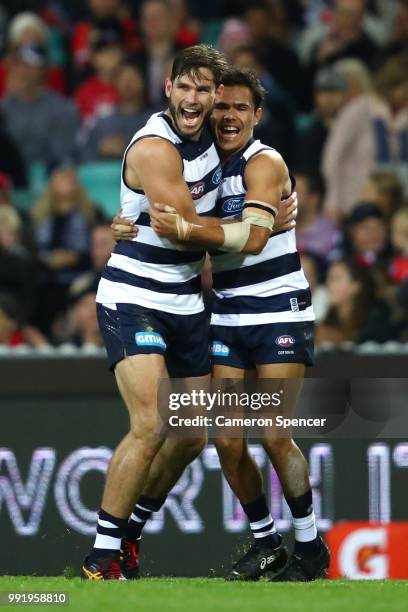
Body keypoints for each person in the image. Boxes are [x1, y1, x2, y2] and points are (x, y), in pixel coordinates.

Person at [113, 68, 330, 582]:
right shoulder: (203, 171)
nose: (228, 116)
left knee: (276, 433)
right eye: (221, 108)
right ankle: (266, 542)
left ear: (258, 116)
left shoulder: (265, 162)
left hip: (277, 309)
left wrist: (189, 227)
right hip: (228, 313)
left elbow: (253, 241)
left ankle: (310, 543)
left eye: (240, 108)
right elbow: (160, 211)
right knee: (227, 440)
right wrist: (129, 221)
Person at [82, 44, 231, 581]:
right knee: (150, 424)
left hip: (188, 300)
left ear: (216, 96)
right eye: (183, 87)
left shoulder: (219, 135)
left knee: (191, 435)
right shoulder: (153, 147)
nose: (192, 99)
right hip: (135, 296)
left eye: (203, 90)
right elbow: (185, 225)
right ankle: (100, 557)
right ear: (168, 88)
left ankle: (130, 531)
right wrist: (259, 226)